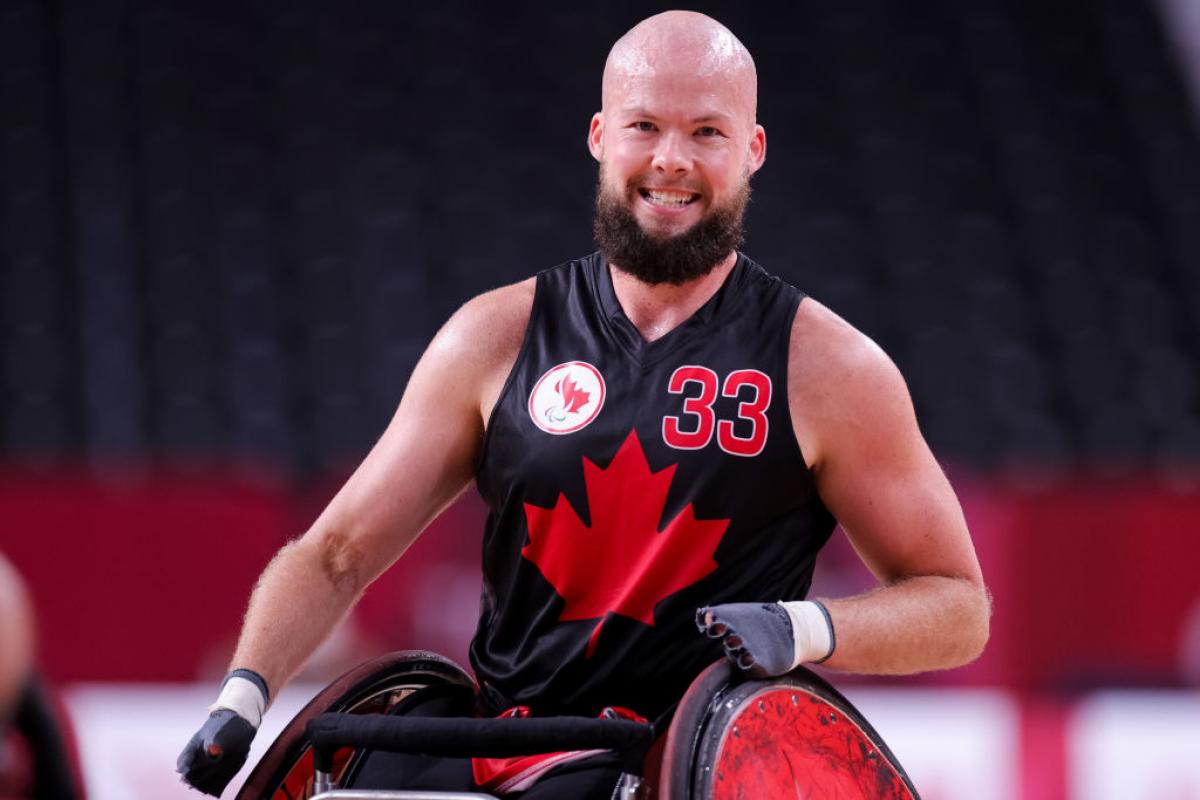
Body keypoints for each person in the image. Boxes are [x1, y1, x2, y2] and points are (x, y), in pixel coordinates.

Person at [178, 10, 990, 798]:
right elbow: (335, 554)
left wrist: (805, 629)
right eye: (645, 126)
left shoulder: (829, 367)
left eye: (707, 131)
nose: (672, 158)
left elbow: (957, 606)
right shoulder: (493, 337)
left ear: (753, 150)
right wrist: (240, 701)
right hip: (507, 752)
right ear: (600, 136)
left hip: (689, 763)